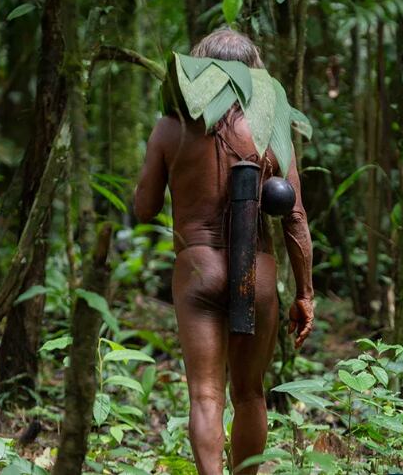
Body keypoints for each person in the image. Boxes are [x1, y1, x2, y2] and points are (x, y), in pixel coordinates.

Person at [134, 28, 315, 475]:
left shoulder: (171, 124)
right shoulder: (271, 127)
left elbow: (144, 208)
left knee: (206, 394)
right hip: (258, 274)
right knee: (250, 392)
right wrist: (306, 292)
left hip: (196, 269)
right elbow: (295, 216)